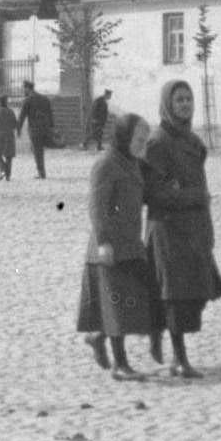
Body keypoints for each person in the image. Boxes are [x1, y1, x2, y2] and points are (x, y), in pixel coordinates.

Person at [140, 79, 221, 377]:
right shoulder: (157, 142)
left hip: (194, 227)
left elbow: (197, 186)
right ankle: (180, 359)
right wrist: (191, 195)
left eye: (188, 99)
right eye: (178, 100)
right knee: (175, 293)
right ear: (167, 104)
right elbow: (153, 193)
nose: (185, 105)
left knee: (195, 293)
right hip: (167, 230)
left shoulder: (192, 142)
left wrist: (206, 222)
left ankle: (156, 331)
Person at [76, 112, 156, 380]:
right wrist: (104, 243)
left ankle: (98, 337)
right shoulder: (106, 164)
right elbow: (97, 208)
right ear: (124, 136)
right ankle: (120, 366)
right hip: (107, 249)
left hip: (130, 245)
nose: (142, 145)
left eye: (145, 140)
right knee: (117, 309)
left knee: (129, 305)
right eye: (139, 139)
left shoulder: (132, 162)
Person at [20, 81, 54, 179]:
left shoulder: (27, 100)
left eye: (23, 88)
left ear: (27, 88)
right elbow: (50, 114)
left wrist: (18, 128)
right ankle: (41, 171)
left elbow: (22, 116)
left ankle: (41, 172)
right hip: (45, 128)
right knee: (38, 150)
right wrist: (52, 127)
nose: (22, 90)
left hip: (34, 130)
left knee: (37, 151)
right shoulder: (45, 99)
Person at [0, 94, 19, 182]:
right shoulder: (11, 111)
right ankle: (8, 175)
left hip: (0, 135)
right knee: (8, 156)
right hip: (10, 135)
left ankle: (2, 170)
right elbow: (15, 124)